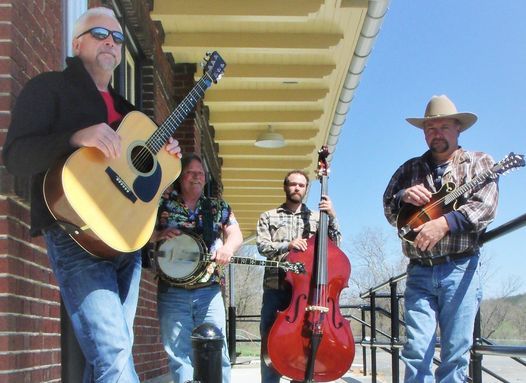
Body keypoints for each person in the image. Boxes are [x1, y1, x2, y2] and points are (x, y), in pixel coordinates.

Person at [2, 7, 181, 382]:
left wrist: (167, 161)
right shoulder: (49, 87)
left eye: (118, 38)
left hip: (126, 245)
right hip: (75, 233)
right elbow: (16, 157)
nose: (112, 43)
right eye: (101, 33)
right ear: (77, 42)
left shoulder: (133, 115)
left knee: (108, 354)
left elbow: (144, 185)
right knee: (114, 352)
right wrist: (74, 138)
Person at [383, 95, 499, 382]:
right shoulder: (408, 169)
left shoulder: (480, 162)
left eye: (443, 126)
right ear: (424, 133)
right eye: (430, 128)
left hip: (460, 269)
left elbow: (486, 207)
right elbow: (388, 208)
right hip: (419, 270)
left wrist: (444, 224)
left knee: (456, 354)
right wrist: (402, 197)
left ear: (458, 128)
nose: (436, 133)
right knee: (415, 349)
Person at [150, 153, 243, 383]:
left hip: (208, 291)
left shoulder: (216, 206)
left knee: (216, 347)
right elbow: (139, 233)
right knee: (179, 354)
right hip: (171, 291)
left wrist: (228, 248)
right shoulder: (162, 203)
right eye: (191, 172)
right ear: (181, 177)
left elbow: (235, 233)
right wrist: (159, 234)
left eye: (200, 173)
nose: (196, 177)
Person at [256, 169, 341, 383]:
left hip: (307, 292)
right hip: (276, 287)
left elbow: (335, 246)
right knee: (269, 342)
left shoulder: (315, 217)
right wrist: (288, 245)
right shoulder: (269, 216)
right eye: (293, 184)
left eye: (301, 185)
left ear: (306, 189)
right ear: (285, 187)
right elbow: (263, 246)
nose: (296, 188)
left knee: (303, 342)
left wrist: (332, 216)